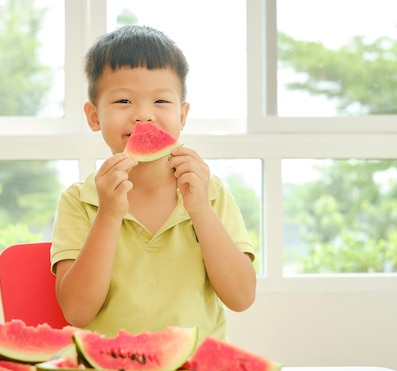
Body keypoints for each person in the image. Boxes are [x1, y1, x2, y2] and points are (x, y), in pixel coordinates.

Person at [51, 25, 256, 342]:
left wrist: (199, 209)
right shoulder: (80, 200)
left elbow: (241, 297)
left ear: (183, 116)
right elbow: (77, 311)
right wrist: (107, 214)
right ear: (93, 116)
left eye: (161, 101)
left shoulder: (209, 192)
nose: (143, 116)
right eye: (123, 101)